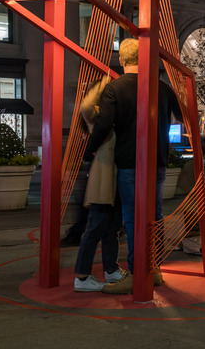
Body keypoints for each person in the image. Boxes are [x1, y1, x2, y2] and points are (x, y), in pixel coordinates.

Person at [83, 38, 182, 294]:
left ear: (121, 59)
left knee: (132, 218)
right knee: (155, 215)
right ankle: (155, 268)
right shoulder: (162, 88)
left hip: (129, 163)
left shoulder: (115, 89)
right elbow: (183, 115)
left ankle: (138, 273)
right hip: (158, 161)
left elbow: (103, 125)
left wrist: (89, 148)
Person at [73, 77, 126, 292]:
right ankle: (82, 277)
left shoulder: (110, 116)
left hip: (113, 180)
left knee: (111, 229)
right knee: (95, 228)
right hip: (104, 180)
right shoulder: (97, 115)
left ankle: (110, 268)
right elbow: (85, 105)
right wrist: (104, 81)